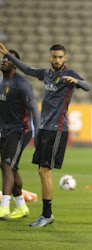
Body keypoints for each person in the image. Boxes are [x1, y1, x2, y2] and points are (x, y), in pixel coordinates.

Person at [0, 43, 90, 227]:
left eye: (60, 57)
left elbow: (87, 86)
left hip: (57, 129)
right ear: (50, 57)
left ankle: (47, 214)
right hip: (44, 129)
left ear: (65, 58)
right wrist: (8, 54)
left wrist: (77, 82)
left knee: (44, 171)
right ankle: (44, 214)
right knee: (41, 171)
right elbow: (27, 69)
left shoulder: (69, 74)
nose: (57, 60)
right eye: (54, 57)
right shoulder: (46, 74)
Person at [0, 50, 40, 220]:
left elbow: (35, 110)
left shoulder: (21, 83)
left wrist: (38, 135)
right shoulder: (2, 82)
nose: (3, 61)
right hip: (6, 130)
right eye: (3, 58)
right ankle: (22, 207)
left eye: (7, 59)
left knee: (6, 165)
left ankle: (4, 207)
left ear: (15, 64)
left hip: (21, 130)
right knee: (12, 168)